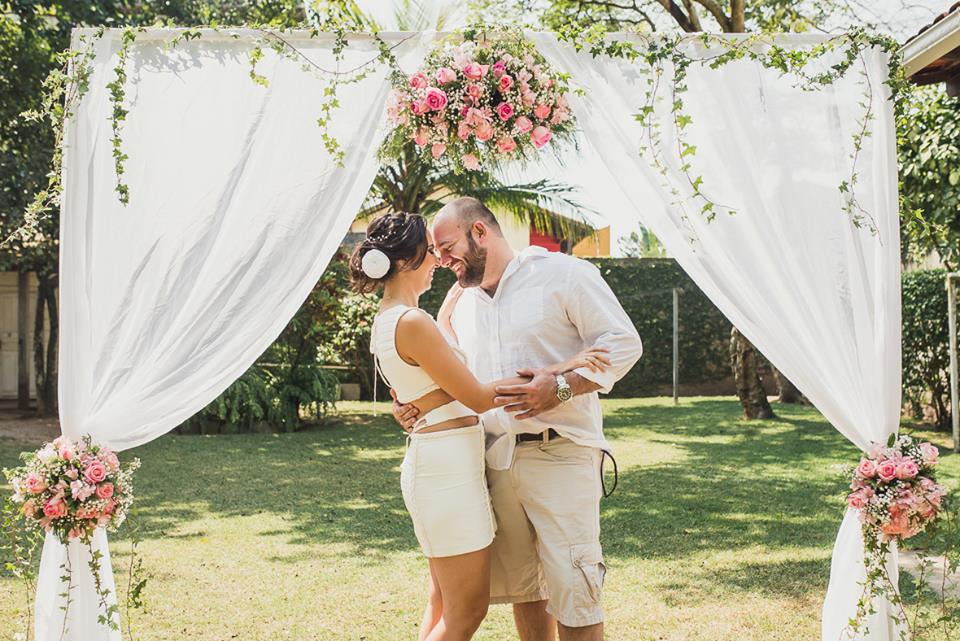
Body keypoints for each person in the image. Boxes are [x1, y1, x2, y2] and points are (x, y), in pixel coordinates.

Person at [349, 211, 612, 641]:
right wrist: (567, 366)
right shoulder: (412, 321)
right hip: (449, 471)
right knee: (465, 612)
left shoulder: (411, 314)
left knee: (441, 602)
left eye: (443, 249)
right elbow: (475, 394)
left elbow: (429, 382)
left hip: (449, 462)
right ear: (405, 260)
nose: (438, 260)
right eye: (430, 252)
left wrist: (416, 402)